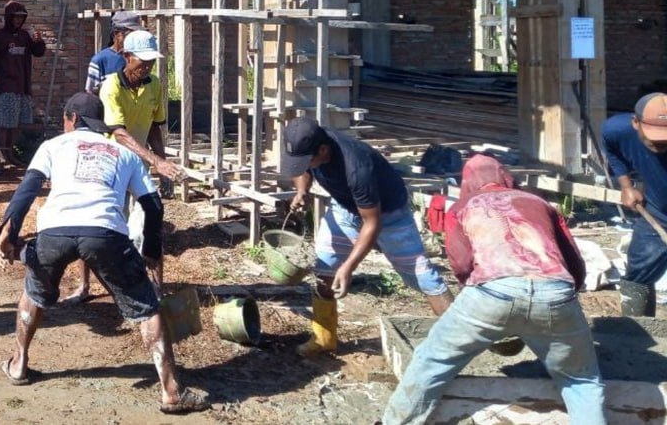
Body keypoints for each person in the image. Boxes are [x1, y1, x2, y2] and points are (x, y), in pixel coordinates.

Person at [0, 92, 210, 415]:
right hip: (106, 232)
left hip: (55, 231)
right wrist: (151, 251)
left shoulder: (52, 146)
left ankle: (19, 365)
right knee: (146, 308)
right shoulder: (125, 153)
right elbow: (153, 205)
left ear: (72, 118)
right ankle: (171, 391)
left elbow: (27, 189)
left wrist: (7, 233)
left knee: (33, 294)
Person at [381, 154, 604, 424]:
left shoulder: (463, 206)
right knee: (581, 380)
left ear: (467, 181)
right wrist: (562, 299)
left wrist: (479, 302)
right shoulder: (538, 202)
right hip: (555, 291)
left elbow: (461, 265)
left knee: (432, 360)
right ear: (505, 176)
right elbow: (574, 261)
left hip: (492, 292)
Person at [285, 116, 453, 357]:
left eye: (306, 161)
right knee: (324, 270)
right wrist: (302, 190)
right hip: (345, 208)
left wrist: (349, 267)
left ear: (322, 150)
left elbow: (372, 224)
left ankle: (458, 342)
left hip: (390, 214)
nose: (302, 166)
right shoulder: (310, 142)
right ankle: (324, 339)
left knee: (424, 276)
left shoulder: (356, 167)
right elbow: (300, 169)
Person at [76, 29, 181, 300]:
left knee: (149, 225)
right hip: (111, 167)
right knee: (98, 223)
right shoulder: (111, 86)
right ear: (126, 56)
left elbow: (155, 127)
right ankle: (83, 286)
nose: (147, 66)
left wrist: (162, 165)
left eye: (151, 61)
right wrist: (155, 160)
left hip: (139, 167)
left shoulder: (153, 84)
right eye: (142, 61)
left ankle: (155, 289)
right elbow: (119, 133)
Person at [602, 91, 667, 316]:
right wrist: (626, 186)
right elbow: (612, 149)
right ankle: (637, 329)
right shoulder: (616, 130)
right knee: (639, 272)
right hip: (657, 211)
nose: (660, 142)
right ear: (635, 123)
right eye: (654, 136)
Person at [0, 1, 47, 165]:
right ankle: (0, 156)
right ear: (9, 17)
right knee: (4, 124)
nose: (18, 20)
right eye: (15, 17)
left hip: (23, 87)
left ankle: (12, 154)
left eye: (21, 18)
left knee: (18, 124)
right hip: (6, 87)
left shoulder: (25, 36)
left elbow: (38, 52)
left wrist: (39, 42)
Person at [86, 10, 143, 94]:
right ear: (116, 34)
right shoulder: (100, 60)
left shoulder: (139, 57)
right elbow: (91, 95)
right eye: (130, 34)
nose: (134, 38)